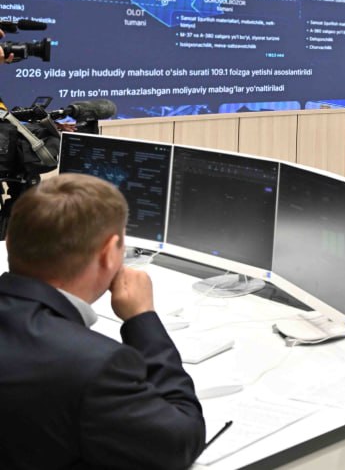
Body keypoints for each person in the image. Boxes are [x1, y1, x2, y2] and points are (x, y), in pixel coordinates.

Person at [0, 174, 206, 470]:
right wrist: (142, 318)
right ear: (109, 254)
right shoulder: (93, 365)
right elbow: (180, 441)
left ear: (10, 241)